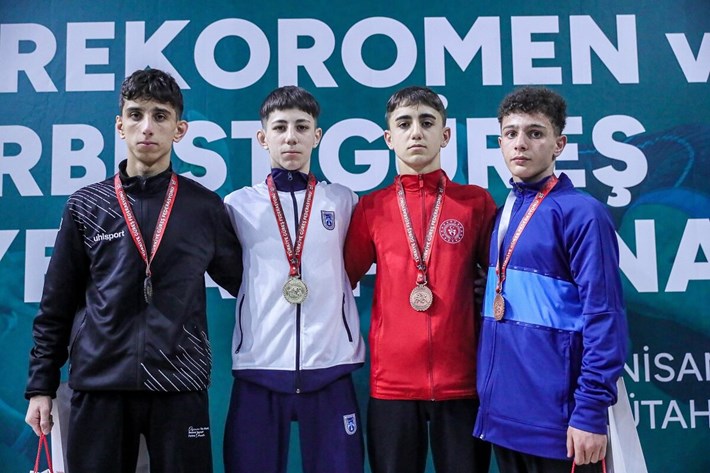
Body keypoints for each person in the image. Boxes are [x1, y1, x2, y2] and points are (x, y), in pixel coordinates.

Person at [24, 68, 243, 473]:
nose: (147, 127)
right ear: (119, 125)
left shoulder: (204, 207)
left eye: (160, 116)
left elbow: (251, 286)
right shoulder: (86, 206)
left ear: (179, 129)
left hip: (179, 384)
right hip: (100, 385)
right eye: (136, 114)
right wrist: (41, 386)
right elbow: (56, 304)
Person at [473, 86, 628, 472]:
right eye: (511, 133)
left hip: (561, 424)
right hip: (502, 418)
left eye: (535, 133)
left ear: (559, 144)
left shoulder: (583, 214)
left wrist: (589, 411)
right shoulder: (503, 212)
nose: (520, 143)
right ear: (500, 142)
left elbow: (605, 318)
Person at [344, 86, 495, 473]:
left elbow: (504, 277)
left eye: (427, 122)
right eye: (404, 124)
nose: (416, 132)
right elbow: (338, 280)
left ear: (445, 135)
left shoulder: (475, 203)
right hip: (392, 384)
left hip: (462, 381)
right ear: (388, 137)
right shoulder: (371, 208)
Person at [222, 86, 366, 473]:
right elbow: (232, 274)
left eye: (301, 127)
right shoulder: (238, 205)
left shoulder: (344, 201)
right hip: (260, 367)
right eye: (280, 127)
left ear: (316, 136)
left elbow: (353, 266)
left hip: (330, 367)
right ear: (262, 137)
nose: (290, 137)